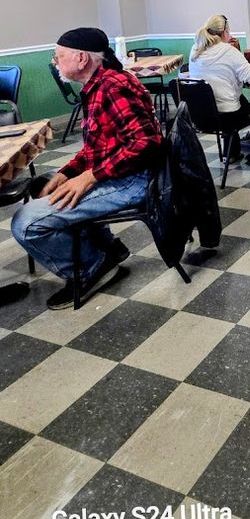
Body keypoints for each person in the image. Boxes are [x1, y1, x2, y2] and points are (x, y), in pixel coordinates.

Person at [11, 27, 165, 310]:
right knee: (44, 185)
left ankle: (92, 267)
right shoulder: (100, 84)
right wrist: (67, 173)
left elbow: (147, 143)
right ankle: (107, 247)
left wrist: (91, 177)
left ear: (81, 58)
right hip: (124, 174)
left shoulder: (112, 87)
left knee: (24, 223)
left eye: (59, 57)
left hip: (134, 181)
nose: (55, 63)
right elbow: (98, 146)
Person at [188, 14, 250, 160]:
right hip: (228, 117)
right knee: (248, 103)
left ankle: (232, 152)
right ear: (225, 32)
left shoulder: (196, 49)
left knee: (231, 98)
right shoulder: (229, 51)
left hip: (200, 115)